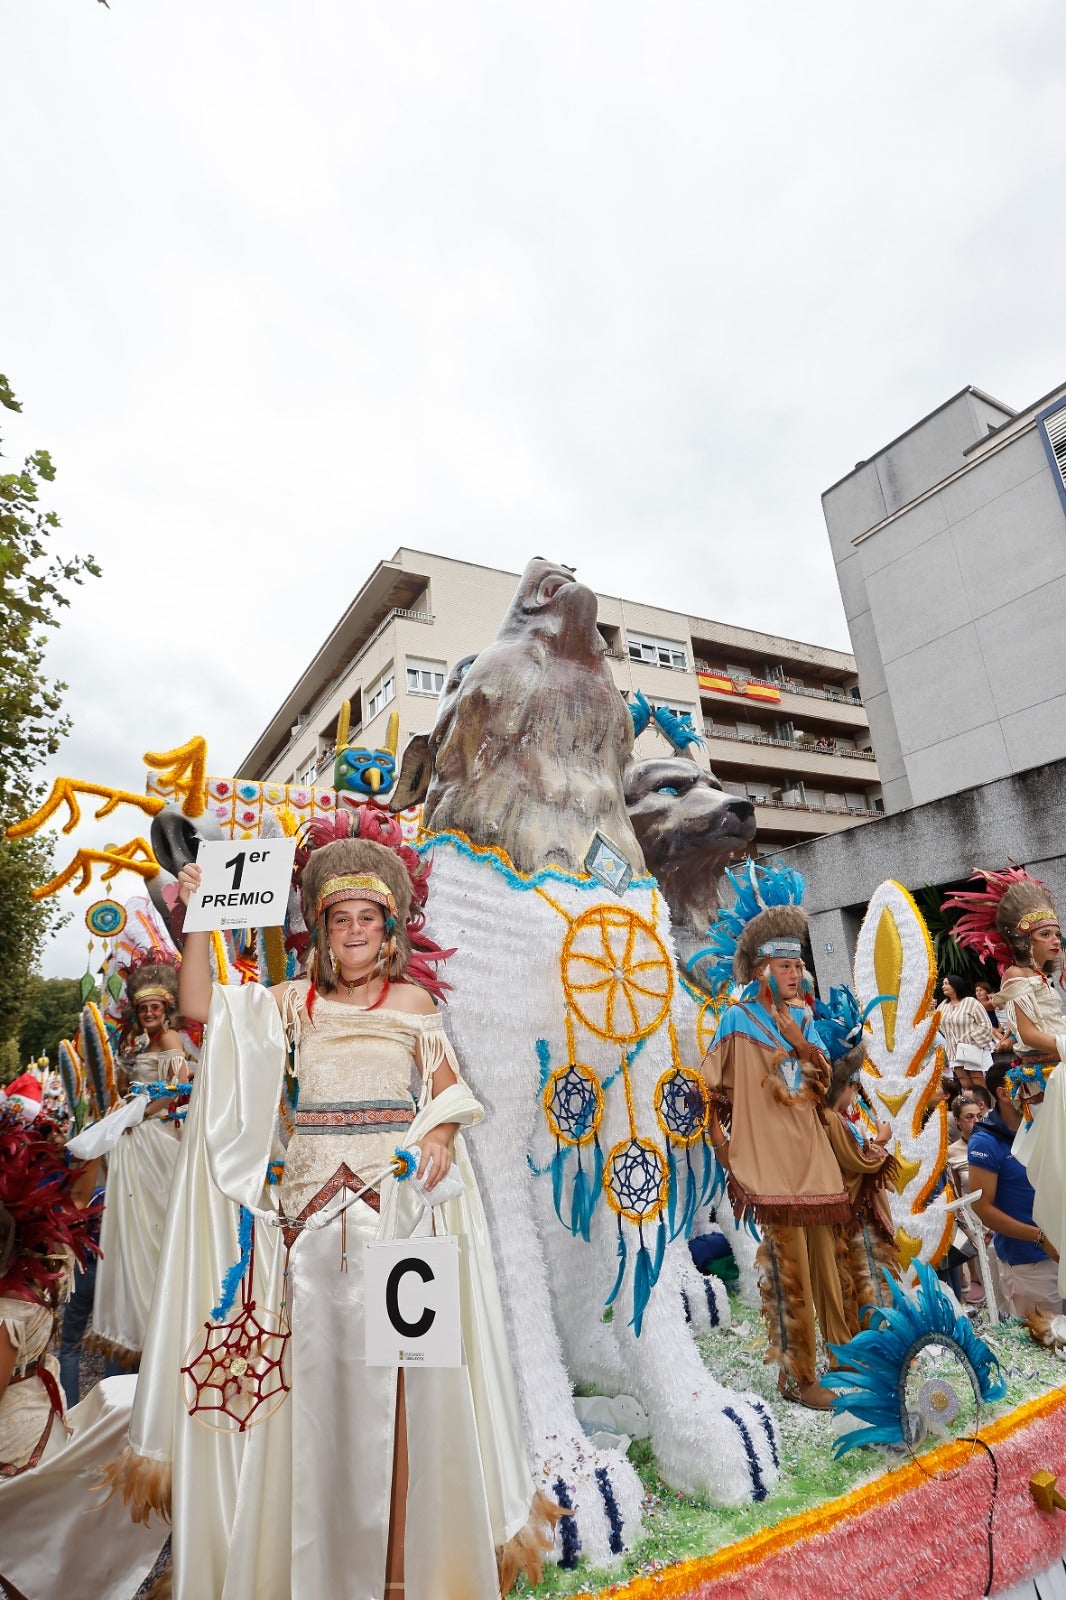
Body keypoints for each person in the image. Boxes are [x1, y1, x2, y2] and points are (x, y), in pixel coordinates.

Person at [117, 817, 555, 1600]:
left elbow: (447, 1091)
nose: (353, 932)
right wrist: (199, 919)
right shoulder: (292, 1005)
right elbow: (198, 1010)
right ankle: (319, 1572)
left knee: (412, 1393)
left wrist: (445, 1136)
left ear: (389, 931)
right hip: (313, 1233)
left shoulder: (416, 1001)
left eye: (368, 919)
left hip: (403, 1224)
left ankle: (399, 1574)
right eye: (339, 919)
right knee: (320, 1403)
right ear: (320, 929)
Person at [700, 862, 852, 1410]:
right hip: (770, 1166)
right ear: (762, 970)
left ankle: (845, 1353)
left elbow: (822, 1087)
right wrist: (727, 1150)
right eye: (785, 965)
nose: (795, 974)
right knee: (789, 1272)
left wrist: (800, 1041)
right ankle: (799, 1376)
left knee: (830, 1266)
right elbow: (708, 1088)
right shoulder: (736, 1021)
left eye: (797, 965)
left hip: (813, 1161)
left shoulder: (803, 1021)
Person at [0, 1108, 166, 1600]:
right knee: (35, 1550)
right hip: (43, 1425)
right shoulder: (47, 1258)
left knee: (22, 1549)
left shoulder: (7, 1306)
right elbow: (76, 1190)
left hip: (14, 1442)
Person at [70, 959, 189, 1367]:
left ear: (168, 1008)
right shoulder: (141, 1045)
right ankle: (135, 1320)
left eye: (156, 1007)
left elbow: (177, 1088)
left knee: (154, 1223)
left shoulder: (172, 1038)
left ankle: (159, 1318)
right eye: (143, 1009)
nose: (150, 1013)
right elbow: (128, 1090)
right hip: (134, 1139)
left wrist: (138, 1113)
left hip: (155, 1137)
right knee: (132, 1223)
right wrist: (125, 1089)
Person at [814, 987, 900, 1328]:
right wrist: (880, 1140)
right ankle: (880, 1345)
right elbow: (861, 1162)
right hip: (857, 1218)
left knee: (866, 1279)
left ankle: (877, 1341)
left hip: (851, 1217)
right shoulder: (832, 1118)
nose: (857, 1092)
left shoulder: (835, 1117)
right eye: (854, 1085)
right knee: (869, 1280)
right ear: (844, 1085)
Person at [967, 1059, 1062, 1317]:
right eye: (1032, 1084)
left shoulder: (1041, 1124)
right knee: (1046, 1345)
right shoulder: (985, 1141)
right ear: (1004, 1092)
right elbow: (983, 1208)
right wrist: (1040, 1237)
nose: (1041, 1090)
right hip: (1030, 1263)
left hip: (1059, 1250)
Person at [939, 973, 994, 1090]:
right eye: (943, 984)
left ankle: (986, 1106)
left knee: (977, 1080)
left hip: (972, 1047)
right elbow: (938, 1024)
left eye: (946, 983)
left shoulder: (971, 1002)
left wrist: (972, 1038)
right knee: (964, 1082)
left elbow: (985, 1024)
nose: (943, 986)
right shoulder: (943, 1005)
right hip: (954, 1050)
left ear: (956, 985)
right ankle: (971, 1105)